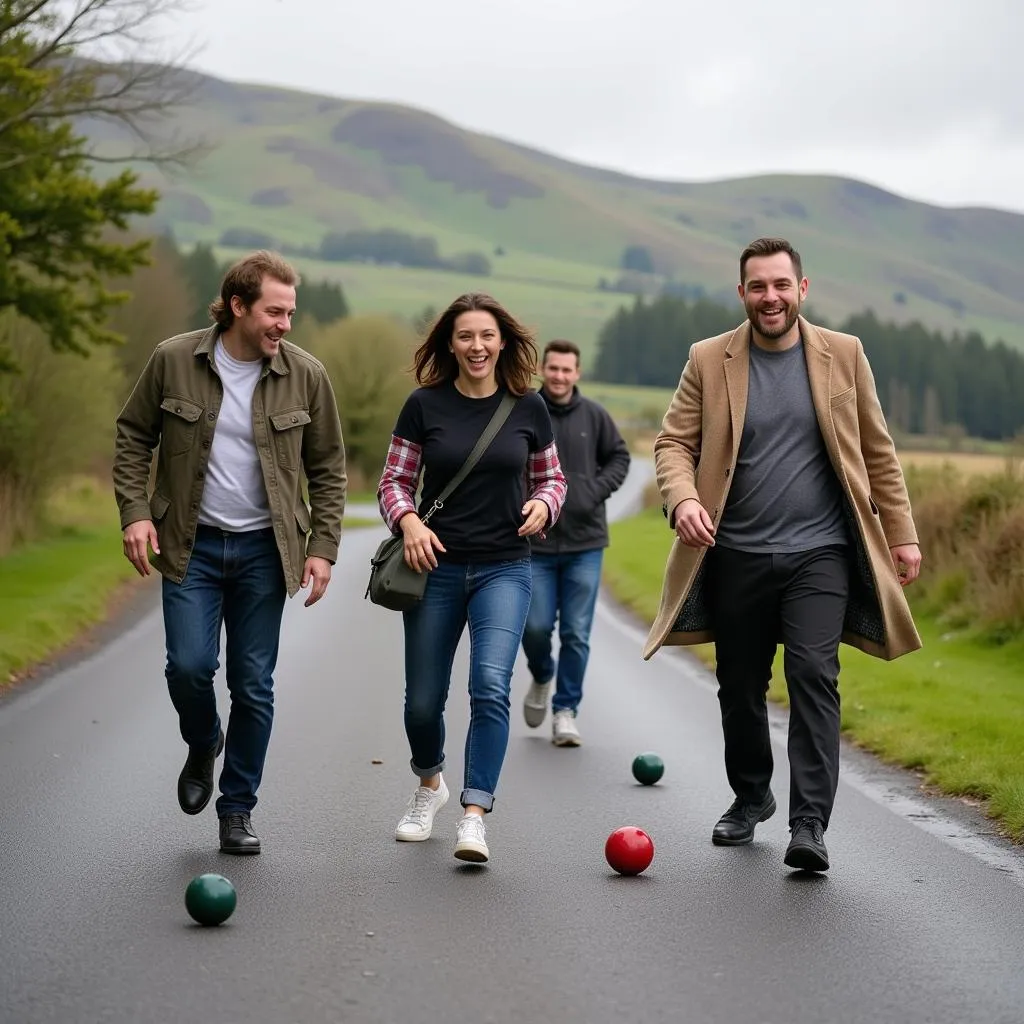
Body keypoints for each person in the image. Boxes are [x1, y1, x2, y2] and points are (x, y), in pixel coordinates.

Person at [643, 237, 922, 873]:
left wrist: (901, 532)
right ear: (742, 293)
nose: (770, 297)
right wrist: (683, 500)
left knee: (813, 676)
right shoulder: (709, 359)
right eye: (757, 287)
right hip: (734, 551)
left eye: (780, 285)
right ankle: (750, 797)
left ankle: (809, 825)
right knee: (739, 687)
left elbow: (877, 450)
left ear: (802, 288)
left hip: (819, 553)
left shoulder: (844, 355)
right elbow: (672, 442)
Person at [113, 250, 346, 855]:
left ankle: (237, 809)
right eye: (274, 311)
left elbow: (328, 467)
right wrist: (136, 513)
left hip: (268, 552)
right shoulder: (172, 359)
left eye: (291, 313)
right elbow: (134, 434)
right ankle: (202, 739)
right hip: (191, 547)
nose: (285, 325)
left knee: (254, 683)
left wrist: (322, 548)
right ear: (238, 306)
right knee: (188, 667)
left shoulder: (307, 375)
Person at [376, 292, 566, 864]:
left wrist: (543, 506)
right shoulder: (423, 405)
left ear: (502, 341)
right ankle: (428, 786)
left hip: (505, 568)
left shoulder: (529, 407)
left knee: (489, 686)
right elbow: (393, 481)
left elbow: (552, 479)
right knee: (421, 704)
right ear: (450, 344)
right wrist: (407, 522)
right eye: (465, 337)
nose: (477, 346)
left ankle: (474, 814)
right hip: (431, 568)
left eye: (486, 336)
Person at [521, 339, 631, 746]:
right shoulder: (524, 411)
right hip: (534, 545)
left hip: (585, 544)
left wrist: (589, 492)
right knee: (533, 627)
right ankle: (543, 673)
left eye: (567, 370)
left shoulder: (595, 416)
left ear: (577, 373)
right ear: (542, 369)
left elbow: (620, 459)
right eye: (553, 369)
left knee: (576, 633)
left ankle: (565, 711)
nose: (560, 376)